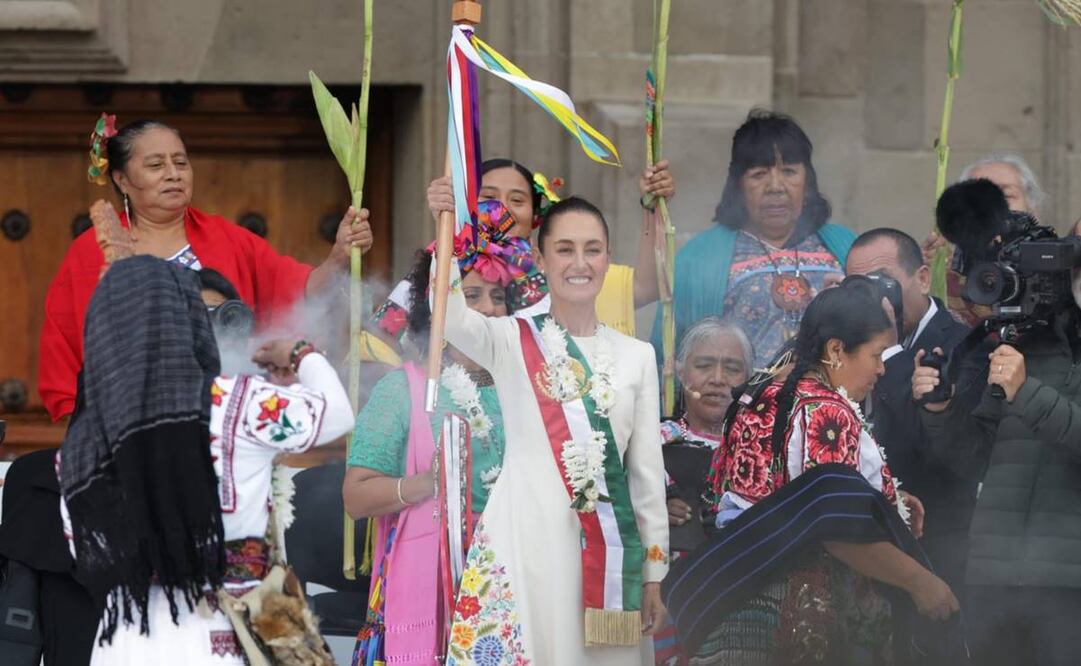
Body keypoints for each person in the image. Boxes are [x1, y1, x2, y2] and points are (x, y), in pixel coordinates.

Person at [58, 257, 356, 665]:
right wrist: (302, 354)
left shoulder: (83, 442)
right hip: (220, 635)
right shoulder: (235, 401)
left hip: (127, 640)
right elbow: (337, 415)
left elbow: (86, 553)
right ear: (188, 322)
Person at [665, 286, 958, 665]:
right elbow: (837, 526)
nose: (882, 369)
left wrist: (891, 503)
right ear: (836, 350)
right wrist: (922, 583)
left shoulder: (758, 391)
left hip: (736, 601)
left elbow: (774, 488)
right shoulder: (826, 409)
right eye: (875, 355)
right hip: (805, 613)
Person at [440, 197, 668, 664]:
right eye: (564, 250)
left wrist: (653, 574)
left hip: (607, 555)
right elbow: (450, 317)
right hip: (523, 539)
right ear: (541, 260)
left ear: (608, 258)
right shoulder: (508, 338)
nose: (580, 263)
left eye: (593, 249)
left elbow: (645, 476)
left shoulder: (637, 355)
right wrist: (444, 224)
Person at [39, 117, 373, 420]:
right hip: (123, 423)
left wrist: (339, 256)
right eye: (156, 164)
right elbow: (65, 348)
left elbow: (298, 294)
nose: (174, 173)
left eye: (181, 162)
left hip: (224, 419)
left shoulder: (229, 240)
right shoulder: (91, 250)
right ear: (122, 180)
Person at [342, 200, 523, 665]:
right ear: (439, 305)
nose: (487, 309)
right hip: (433, 585)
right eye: (472, 295)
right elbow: (356, 497)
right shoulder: (404, 389)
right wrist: (425, 485)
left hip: (515, 580)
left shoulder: (525, 386)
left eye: (497, 297)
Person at [912, 254, 1081, 662]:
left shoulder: (1023, 368)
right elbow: (975, 459)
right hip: (995, 576)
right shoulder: (1029, 345)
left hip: (1070, 584)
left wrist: (1026, 393)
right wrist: (940, 410)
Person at [367, 157, 673, 358]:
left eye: (518, 200)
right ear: (466, 205)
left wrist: (652, 207)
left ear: (535, 215)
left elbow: (648, 285)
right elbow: (375, 347)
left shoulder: (564, 272)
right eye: (488, 197)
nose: (503, 208)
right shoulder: (441, 264)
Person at [653, 109, 854, 368]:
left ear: (808, 181)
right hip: (738, 407)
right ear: (738, 185)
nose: (775, 186)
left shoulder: (845, 247)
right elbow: (666, 358)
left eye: (789, 171)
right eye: (759, 174)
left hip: (830, 406)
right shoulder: (697, 258)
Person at [846, 228, 981, 592]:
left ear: (922, 278)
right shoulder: (845, 346)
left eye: (883, 282)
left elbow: (941, 449)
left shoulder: (963, 344)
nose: (873, 298)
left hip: (938, 549)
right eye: (859, 287)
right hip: (865, 547)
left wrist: (889, 350)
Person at [653, 317, 752, 666]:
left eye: (733, 368)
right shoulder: (652, 443)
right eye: (704, 365)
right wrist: (652, 510)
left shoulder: (764, 452)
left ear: (751, 379)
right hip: (664, 603)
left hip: (740, 607)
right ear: (682, 373)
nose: (718, 379)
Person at [924, 153, 1046, 325]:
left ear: (1033, 208)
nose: (992, 206)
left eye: (1006, 195)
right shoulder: (943, 275)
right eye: (977, 198)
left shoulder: (1054, 268)